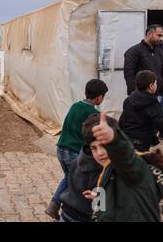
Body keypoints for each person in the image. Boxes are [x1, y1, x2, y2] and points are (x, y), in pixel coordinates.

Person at [83, 112, 163, 222]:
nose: (100, 153)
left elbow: (127, 161)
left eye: (104, 145)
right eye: (94, 148)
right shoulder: (110, 170)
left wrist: (114, 140)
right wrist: (104, 198)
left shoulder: (132, 170)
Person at [45, 79, 108, 220]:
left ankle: (54, 205)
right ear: (99, 97)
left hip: (61, 148)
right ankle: (65, 206)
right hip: (73, 152)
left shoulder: (75, 106)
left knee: (69, 177)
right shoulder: (93, 114)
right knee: (76, 181)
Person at [119, 70, 163, 160]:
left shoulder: (129, 100)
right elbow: (162, 125)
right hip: (140, 145)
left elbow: (122, 122)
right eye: (156, 83)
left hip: (125, 142)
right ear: (151, 86)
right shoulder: (151, 103)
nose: (156, 85)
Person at [59, 144, 103, 222]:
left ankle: (54, 203)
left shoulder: (78, 159)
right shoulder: (103, 169)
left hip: (67, 210)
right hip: (82, 215)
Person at [124, 24, 163, 96]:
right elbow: (129, 75)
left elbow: (162, 71)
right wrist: (135, 93)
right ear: (149, 34)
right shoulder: (134, 51)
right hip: (140, 95)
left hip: (156, 94)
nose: (161, 39)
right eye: (159, 35)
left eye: (162, 36)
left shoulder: (159, 51)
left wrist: (161, 86)